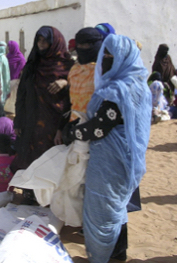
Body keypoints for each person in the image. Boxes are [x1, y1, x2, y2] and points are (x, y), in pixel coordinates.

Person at [64, 34, 150, 263]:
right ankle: (118, 252)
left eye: (112, 57)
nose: (106, 62)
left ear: (124, 58)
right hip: (127, 156)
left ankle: (103, 255)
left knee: (103, 208)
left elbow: (101, 127)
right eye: (106, 56)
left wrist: (73, 133)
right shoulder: (139, 83)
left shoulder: (119, 90)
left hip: (110, 160)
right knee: (117, 206)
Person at [12, 26, 73, 175]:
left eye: (45, 41)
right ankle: (31, 194)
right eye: (39, 40)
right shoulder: (33, 65)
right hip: (32, 123)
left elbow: (76, 94)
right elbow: (22, 94)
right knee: (31, 160)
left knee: (53, 162)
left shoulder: (68, 66)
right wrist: (18, 120)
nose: (41, 44)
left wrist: (65, 84)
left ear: (55, 42)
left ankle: (48, 197)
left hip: (56, 125)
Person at [67, 27, 105, 125]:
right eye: (79, 45)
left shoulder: (104, 71)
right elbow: (69, 102)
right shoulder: (75, 69)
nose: (82, 48)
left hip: (97, 127)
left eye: (86, 45)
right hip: (75, 126)